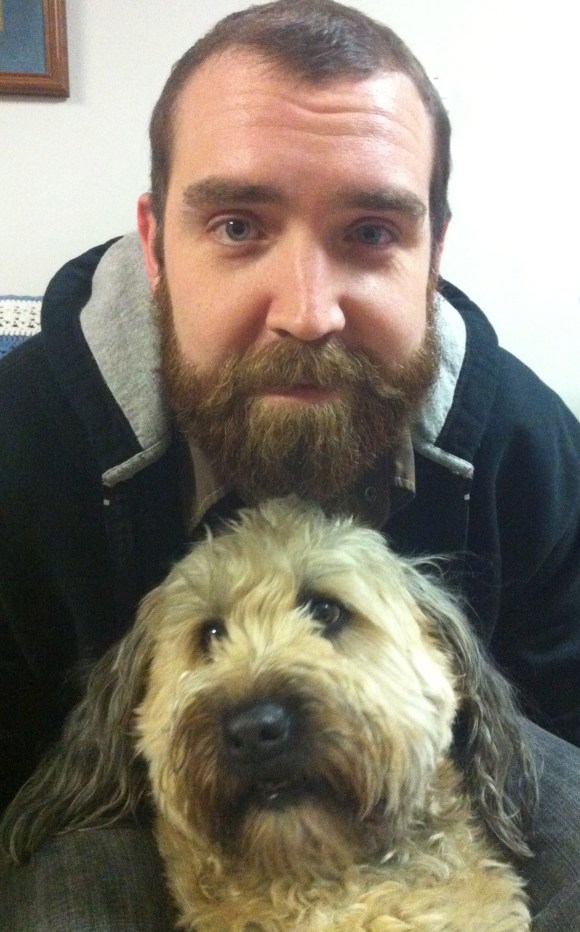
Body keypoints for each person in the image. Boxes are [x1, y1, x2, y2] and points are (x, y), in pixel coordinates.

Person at [1, 1, 579, 928]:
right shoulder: (20, 446)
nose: (308, 313)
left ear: (434, 256)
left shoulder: (524, 444)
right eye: (238, 226)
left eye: (372, 233)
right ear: (154, 246)